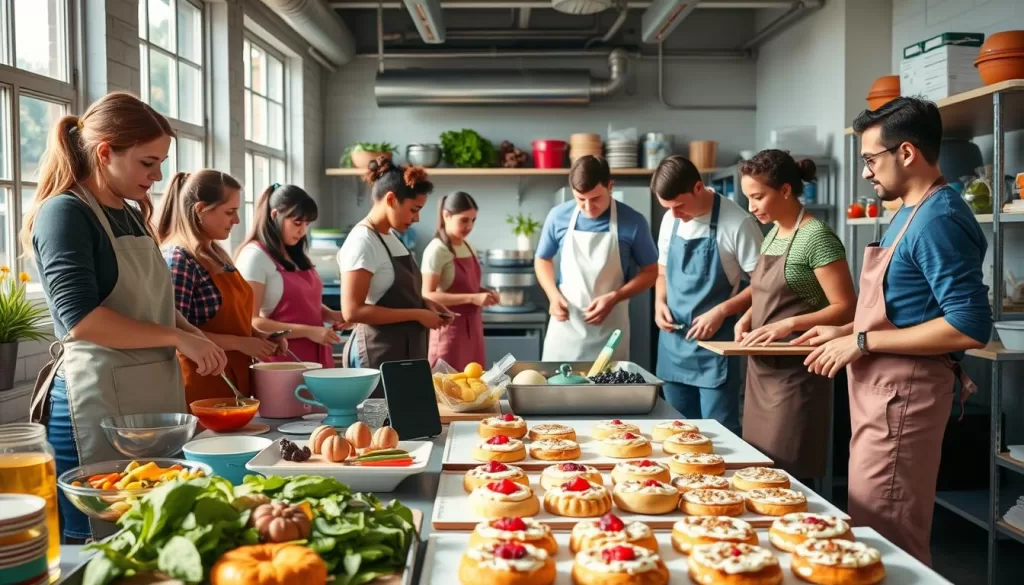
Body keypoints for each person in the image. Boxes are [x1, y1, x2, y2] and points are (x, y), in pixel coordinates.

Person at [22, 92, 226, 540]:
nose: (157, 177)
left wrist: (193, 333)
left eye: (160, 163)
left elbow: (149, 300)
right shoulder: (65, 214)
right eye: (147, 163)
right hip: (95, 401)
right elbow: (82, 320)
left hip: (149, 397)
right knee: (98, 542)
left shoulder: (131, 214)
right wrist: (177, 339)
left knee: (151, 534)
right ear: (105, 152)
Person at [798, 97, 990, 565]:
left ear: (906, 153)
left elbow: (968, 325)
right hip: (880, 396)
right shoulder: (907, 211)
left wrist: (862, 340)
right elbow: (905, 307)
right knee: (868, 527)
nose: (865, 172)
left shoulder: (938, 219)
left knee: (889, 540)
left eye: (870, 159)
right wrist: (844, 329)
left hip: (903, 400)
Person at [734, 150, 856, 479]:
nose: (751, 207)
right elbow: (764, 290)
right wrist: (748, 316)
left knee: (787, 475)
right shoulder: (772, 232)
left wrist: (788, 323)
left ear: (785, 190)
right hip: (761, 369)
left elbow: (846, 307)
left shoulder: (817, 237)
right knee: (755, 473)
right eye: (748, 198)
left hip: (796, 374)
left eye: (758, 197)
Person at [650, 156, 763, 434]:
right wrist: (659, 302)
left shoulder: (738, 223)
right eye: (668, 208)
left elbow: (763, 286)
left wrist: (721, 311)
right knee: (676, 430)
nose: (674, 214)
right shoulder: (670, 220)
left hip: (715, 348)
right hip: (673, 345)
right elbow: (662, 272)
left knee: (719, 432)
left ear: (699, 188)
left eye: (679, 206)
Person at [158, 170, 287, 403]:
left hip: (233, 382)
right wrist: (242, 343)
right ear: (200, 210)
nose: (236, 220)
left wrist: (259, 336)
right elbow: (175, 333)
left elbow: (234, 321)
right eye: (230, 212)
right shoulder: (179, 260)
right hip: (200, 388)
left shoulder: (217, 254)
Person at [536, 155, 658, 362]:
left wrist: (615, 297)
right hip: (566, 328)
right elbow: (542, 259)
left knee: (606, 391)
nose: (588, 207)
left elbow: (651, 272)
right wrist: (552, 295)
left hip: (610, 330)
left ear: (610, 186)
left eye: (595, 199)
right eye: (580, 199)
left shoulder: (633, 221)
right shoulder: (558, 216)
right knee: (557, 390)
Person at [339, 157, 452, 377]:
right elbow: (352, 311)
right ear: (391, 200)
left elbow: (391, 291)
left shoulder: (390, 236)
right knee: (376, 413)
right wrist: (417, 314)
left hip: (402, 353)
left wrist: (427, 305)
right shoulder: (363, 242)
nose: (417, 218)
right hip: (377, 355)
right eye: (414, 209)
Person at [236, 184, 342, 369]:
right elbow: (252, 321)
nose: (303, 231)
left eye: (307, 224)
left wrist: (331, 315)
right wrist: (309, 332)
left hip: (316, 355)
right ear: (275, 215)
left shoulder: (293, 253)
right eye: (297, 223)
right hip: (282, 361)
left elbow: (304, 302)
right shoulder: (254, 256)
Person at [421, 191, 497, 371]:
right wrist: (472, 298)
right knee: (447, 390)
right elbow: (427, 294)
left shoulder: (467, 245)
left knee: (473, 386)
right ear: (446, 216)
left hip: (473, 331)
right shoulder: (436, 250)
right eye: (464, 220)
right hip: (449, 331)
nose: (469, 226)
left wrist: (483, 292)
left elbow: (468, 286)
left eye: (473, 220)